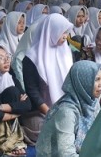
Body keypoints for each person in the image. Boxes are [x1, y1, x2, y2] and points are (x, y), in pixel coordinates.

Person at [19, 14, 74, 145]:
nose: (65, 36)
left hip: (65, 107)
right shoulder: (32, 58)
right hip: (40, 111)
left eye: (66, 32)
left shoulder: (66, 52)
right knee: (42, 129)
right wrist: (50, 113)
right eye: (62, 32)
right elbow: (32, 91)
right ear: (50, 31)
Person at [37, 60, 101, 157]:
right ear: (83, 81)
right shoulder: (67, 111)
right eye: (96, 79)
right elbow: (66, 153)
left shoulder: (93, 103)